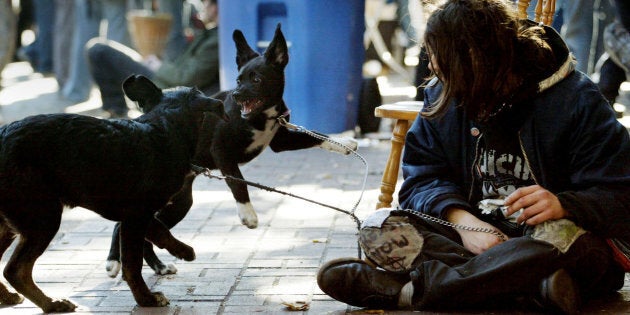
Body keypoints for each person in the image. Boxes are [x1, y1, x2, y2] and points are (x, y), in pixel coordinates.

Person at [317, 0, 630, 313]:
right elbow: (420, 179)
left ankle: (412, 291)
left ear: (475, 60)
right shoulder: (442, 93)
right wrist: (463, 222)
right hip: (471, 239)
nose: (432, 68)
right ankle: (529, 286)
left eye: (439, 58)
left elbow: (621, 195)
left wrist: (563, 204)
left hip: (552, 239)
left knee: (558, 238)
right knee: (380, 227)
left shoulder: (577, 100)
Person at [86, 0, 219, 118]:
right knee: (99, 49)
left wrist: (158, 65)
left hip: (165, 85)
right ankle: (117, 111)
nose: (203, 6)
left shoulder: (216, 40)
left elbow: (186, 77)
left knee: (99, 50)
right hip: (166, 79)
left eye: (206, 2)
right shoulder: (213, 34)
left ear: (215, 8)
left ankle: (117, 112)